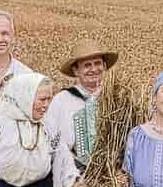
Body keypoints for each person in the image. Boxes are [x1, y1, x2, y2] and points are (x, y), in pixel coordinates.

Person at [45, 40, 117, 171]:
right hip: (73, 174)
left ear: (104, 66)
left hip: (111, 173)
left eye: (98, 63)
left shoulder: (117, 98)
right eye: (87, 65)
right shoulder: (61, 100)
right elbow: (50, 140)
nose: (94, 69)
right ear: (76, 71)